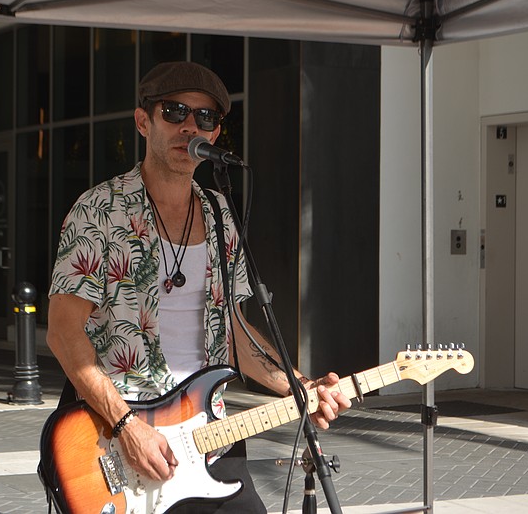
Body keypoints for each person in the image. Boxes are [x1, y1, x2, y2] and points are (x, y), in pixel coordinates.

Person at [47, 61, 352, 512]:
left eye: (204, 117)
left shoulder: (220, 214)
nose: (189, 126)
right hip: (119, 433)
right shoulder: (98, 210)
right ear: (142, 120)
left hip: (209, 431)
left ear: (214, 134)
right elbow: (63, 332)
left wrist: (301, 388)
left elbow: (237, 336)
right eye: (174, 112)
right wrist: (127, 426)